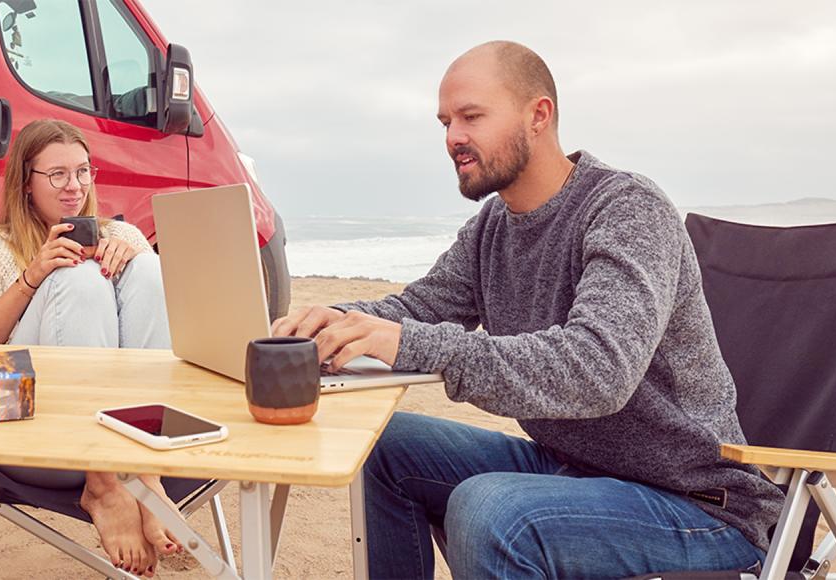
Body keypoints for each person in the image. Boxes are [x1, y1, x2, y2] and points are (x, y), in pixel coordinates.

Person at [271, 41, 784, 579]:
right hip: (576, 472)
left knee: (492, 509)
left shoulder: (628, 209)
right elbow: (417, 309)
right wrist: (332, 320)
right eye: (445, 121)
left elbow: (599, 369)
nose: (453, 138)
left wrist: (410, 342)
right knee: (385, 445)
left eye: (472, 116)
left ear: (538, 115)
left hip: (698, 505)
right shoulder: (493, 227)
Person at [0, 118, 177, 576]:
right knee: (75, 276)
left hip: (126, 422)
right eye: (57, 174)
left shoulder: (123, 235)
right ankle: (104, 482)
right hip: (30, 416)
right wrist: (34, 276)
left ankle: (141, 468)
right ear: (26, 184)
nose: (74, 186)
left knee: (152, 268)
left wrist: (134, 267)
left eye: (83, 171)